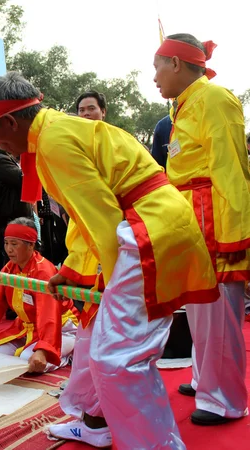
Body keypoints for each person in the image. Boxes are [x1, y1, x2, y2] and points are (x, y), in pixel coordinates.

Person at [0, 71, 219, 449]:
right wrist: (77, 270)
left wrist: (94, 275)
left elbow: (102, 219)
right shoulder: (57, 130)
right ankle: (99, 423)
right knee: (103, 348)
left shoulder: (54, 141)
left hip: (147, 231)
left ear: (10, 121)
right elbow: (92, 218)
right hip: (153, 225)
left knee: (117, 358)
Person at [154, 33, 250, 426]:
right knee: (198, 308)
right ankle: (204, 377)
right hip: (191, 215)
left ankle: (224, 399)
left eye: (157, 66)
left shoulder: (214, 99)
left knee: (217, 310)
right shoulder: (185, 105)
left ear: (176, 63)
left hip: (213, 216)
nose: (154, 77)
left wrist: (236, 234)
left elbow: (231, 168)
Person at [0, 218, 78, 372]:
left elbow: (49, 315)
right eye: (6, 243)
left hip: (61, 328)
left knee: (28, 362)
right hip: (27, 328)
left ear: (31, 245)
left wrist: (44, 350)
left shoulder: (43, 271)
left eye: (14, 244)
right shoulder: (10, 268)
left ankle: (68, 354)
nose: (9, 249)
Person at [0, 139, 33, 271]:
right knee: (11, 260)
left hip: (13, 217)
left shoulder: (4, 157)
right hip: (9, 218)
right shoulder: (1, 160)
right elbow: (23, 179)